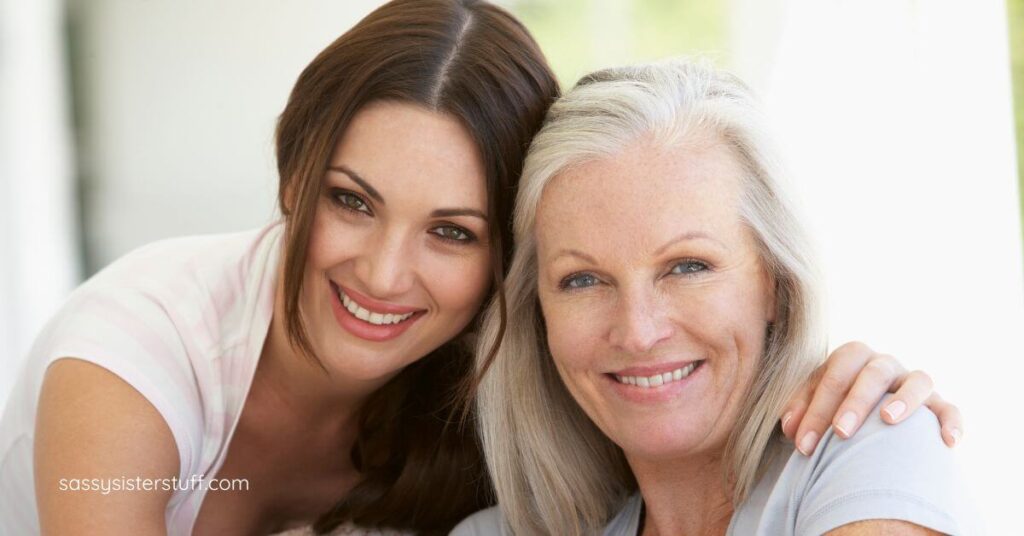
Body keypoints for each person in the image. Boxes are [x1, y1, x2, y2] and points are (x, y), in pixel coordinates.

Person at [0, 2, 958, 535]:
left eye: (452, 232)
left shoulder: (857, 451)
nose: (383, 272)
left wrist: (855, 380)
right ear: (292, 176)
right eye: (352, 199)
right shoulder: (134, 350)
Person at [456, 59, 978, 535]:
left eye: (688, 267)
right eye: (583, 280)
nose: (638, 331)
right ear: (537, 311)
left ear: (775, 282)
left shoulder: (873, 449)